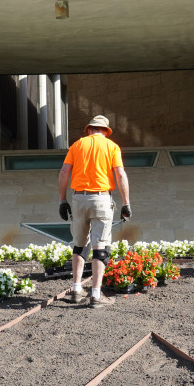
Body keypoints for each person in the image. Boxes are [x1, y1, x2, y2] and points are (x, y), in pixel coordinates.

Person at [57, 114, 132, 308]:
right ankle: (96, 295)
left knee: (79, 245)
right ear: (105, 132)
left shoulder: (77, 145)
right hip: (101, 199)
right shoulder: (112, 146)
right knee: (101, 247)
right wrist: (126, 202)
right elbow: (120, 174)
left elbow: (64, 172)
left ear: (89, 129)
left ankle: (75, 289)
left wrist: (62, 200)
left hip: (78, 199)